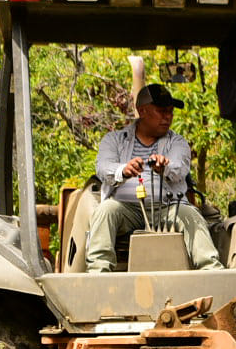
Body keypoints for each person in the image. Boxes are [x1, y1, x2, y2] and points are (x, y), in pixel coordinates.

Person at [85, 83, 223, 272]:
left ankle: (212, 271)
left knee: (190, 214)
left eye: (170, 112)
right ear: (142, 111)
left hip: (167, 208)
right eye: (161, 111)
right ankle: (98, 275)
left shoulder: (177, 142)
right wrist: (124, 170)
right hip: (126, 209)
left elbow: (180, 167)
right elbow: (103, 168)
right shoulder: (114, 140)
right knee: (106, 210)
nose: (168, 117)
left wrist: (164, 168)